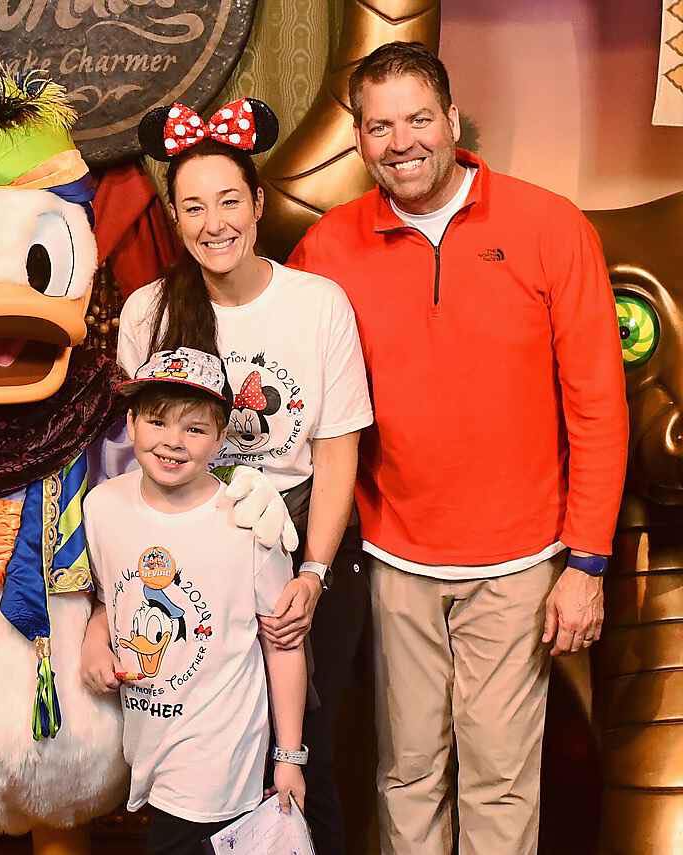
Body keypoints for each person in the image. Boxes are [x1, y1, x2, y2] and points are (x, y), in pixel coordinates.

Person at [287, 41, 629, 855]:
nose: (400, 142)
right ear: (359, 138)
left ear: (451, 119)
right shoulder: (329, 247)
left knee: (500, 778)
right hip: (394, 556)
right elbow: (278, 370)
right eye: (379, 127)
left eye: (417, 119)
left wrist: (586, 563)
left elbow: (597, 405)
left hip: (520, 561)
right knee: (405, 773)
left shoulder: (550, 225)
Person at [117, 97, 373, 853]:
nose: (214, 223)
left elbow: (337, 450)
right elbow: (140, 453)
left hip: (305, 539)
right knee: (209, 755)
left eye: (229, 201)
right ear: (174, 217)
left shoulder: (317, 304)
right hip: (198, 550)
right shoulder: (149, 312)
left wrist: (313, 573)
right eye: (193, 207)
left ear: (258, 205)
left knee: (313, 748)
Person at [81, 346, 308, 855]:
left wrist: (290, 756)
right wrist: (95, 643)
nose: (173, 441)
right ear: (131, 423)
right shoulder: (103, 507)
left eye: (195, 428)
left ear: (222, 436)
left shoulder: (248, 521)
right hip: (145, 736)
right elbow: (107, 600)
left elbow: (283, 643)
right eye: (157, 422)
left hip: (219, 747)